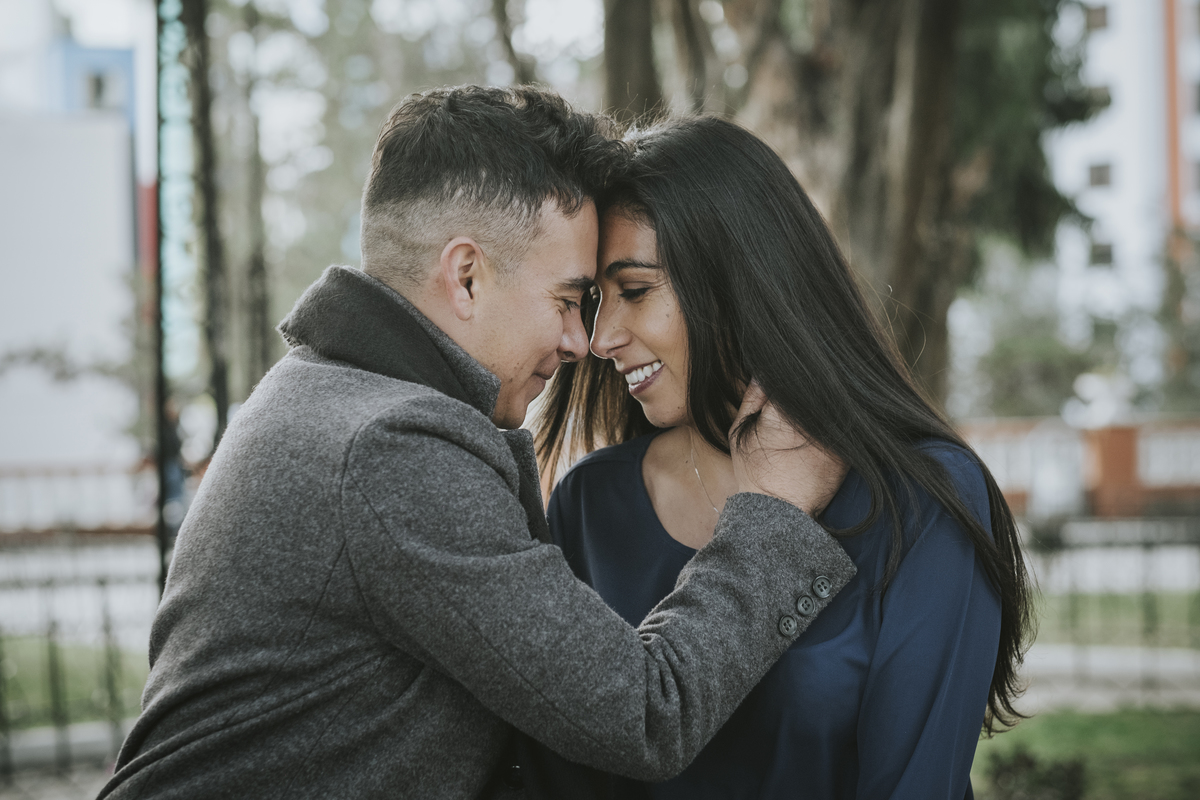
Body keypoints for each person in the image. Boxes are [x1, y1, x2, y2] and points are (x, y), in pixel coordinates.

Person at [98, 88, 856, 800]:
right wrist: (771, 512)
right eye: (569, 299)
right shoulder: (390, 448)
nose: (581, 341)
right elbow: (644, 715)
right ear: (465, 277)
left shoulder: (321, 395)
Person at [526, 116, 1034, 799]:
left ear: (741, 280)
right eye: (593, 301)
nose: (600, 337)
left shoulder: (921, 498)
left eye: (637, 291)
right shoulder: (592, 504)